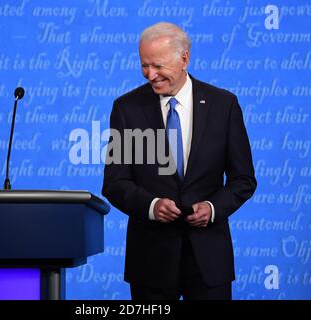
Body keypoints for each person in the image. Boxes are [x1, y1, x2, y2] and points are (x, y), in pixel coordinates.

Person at [102, 22, 257, 300]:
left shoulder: (224, 105)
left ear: (184, 58)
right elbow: (115, 183)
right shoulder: (127, 109)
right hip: (151, 260)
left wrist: (212, 208)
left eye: (158, 66)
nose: (150, 75)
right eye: (144, 65)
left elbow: (243, 179)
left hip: (209, 259)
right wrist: (151, 206)